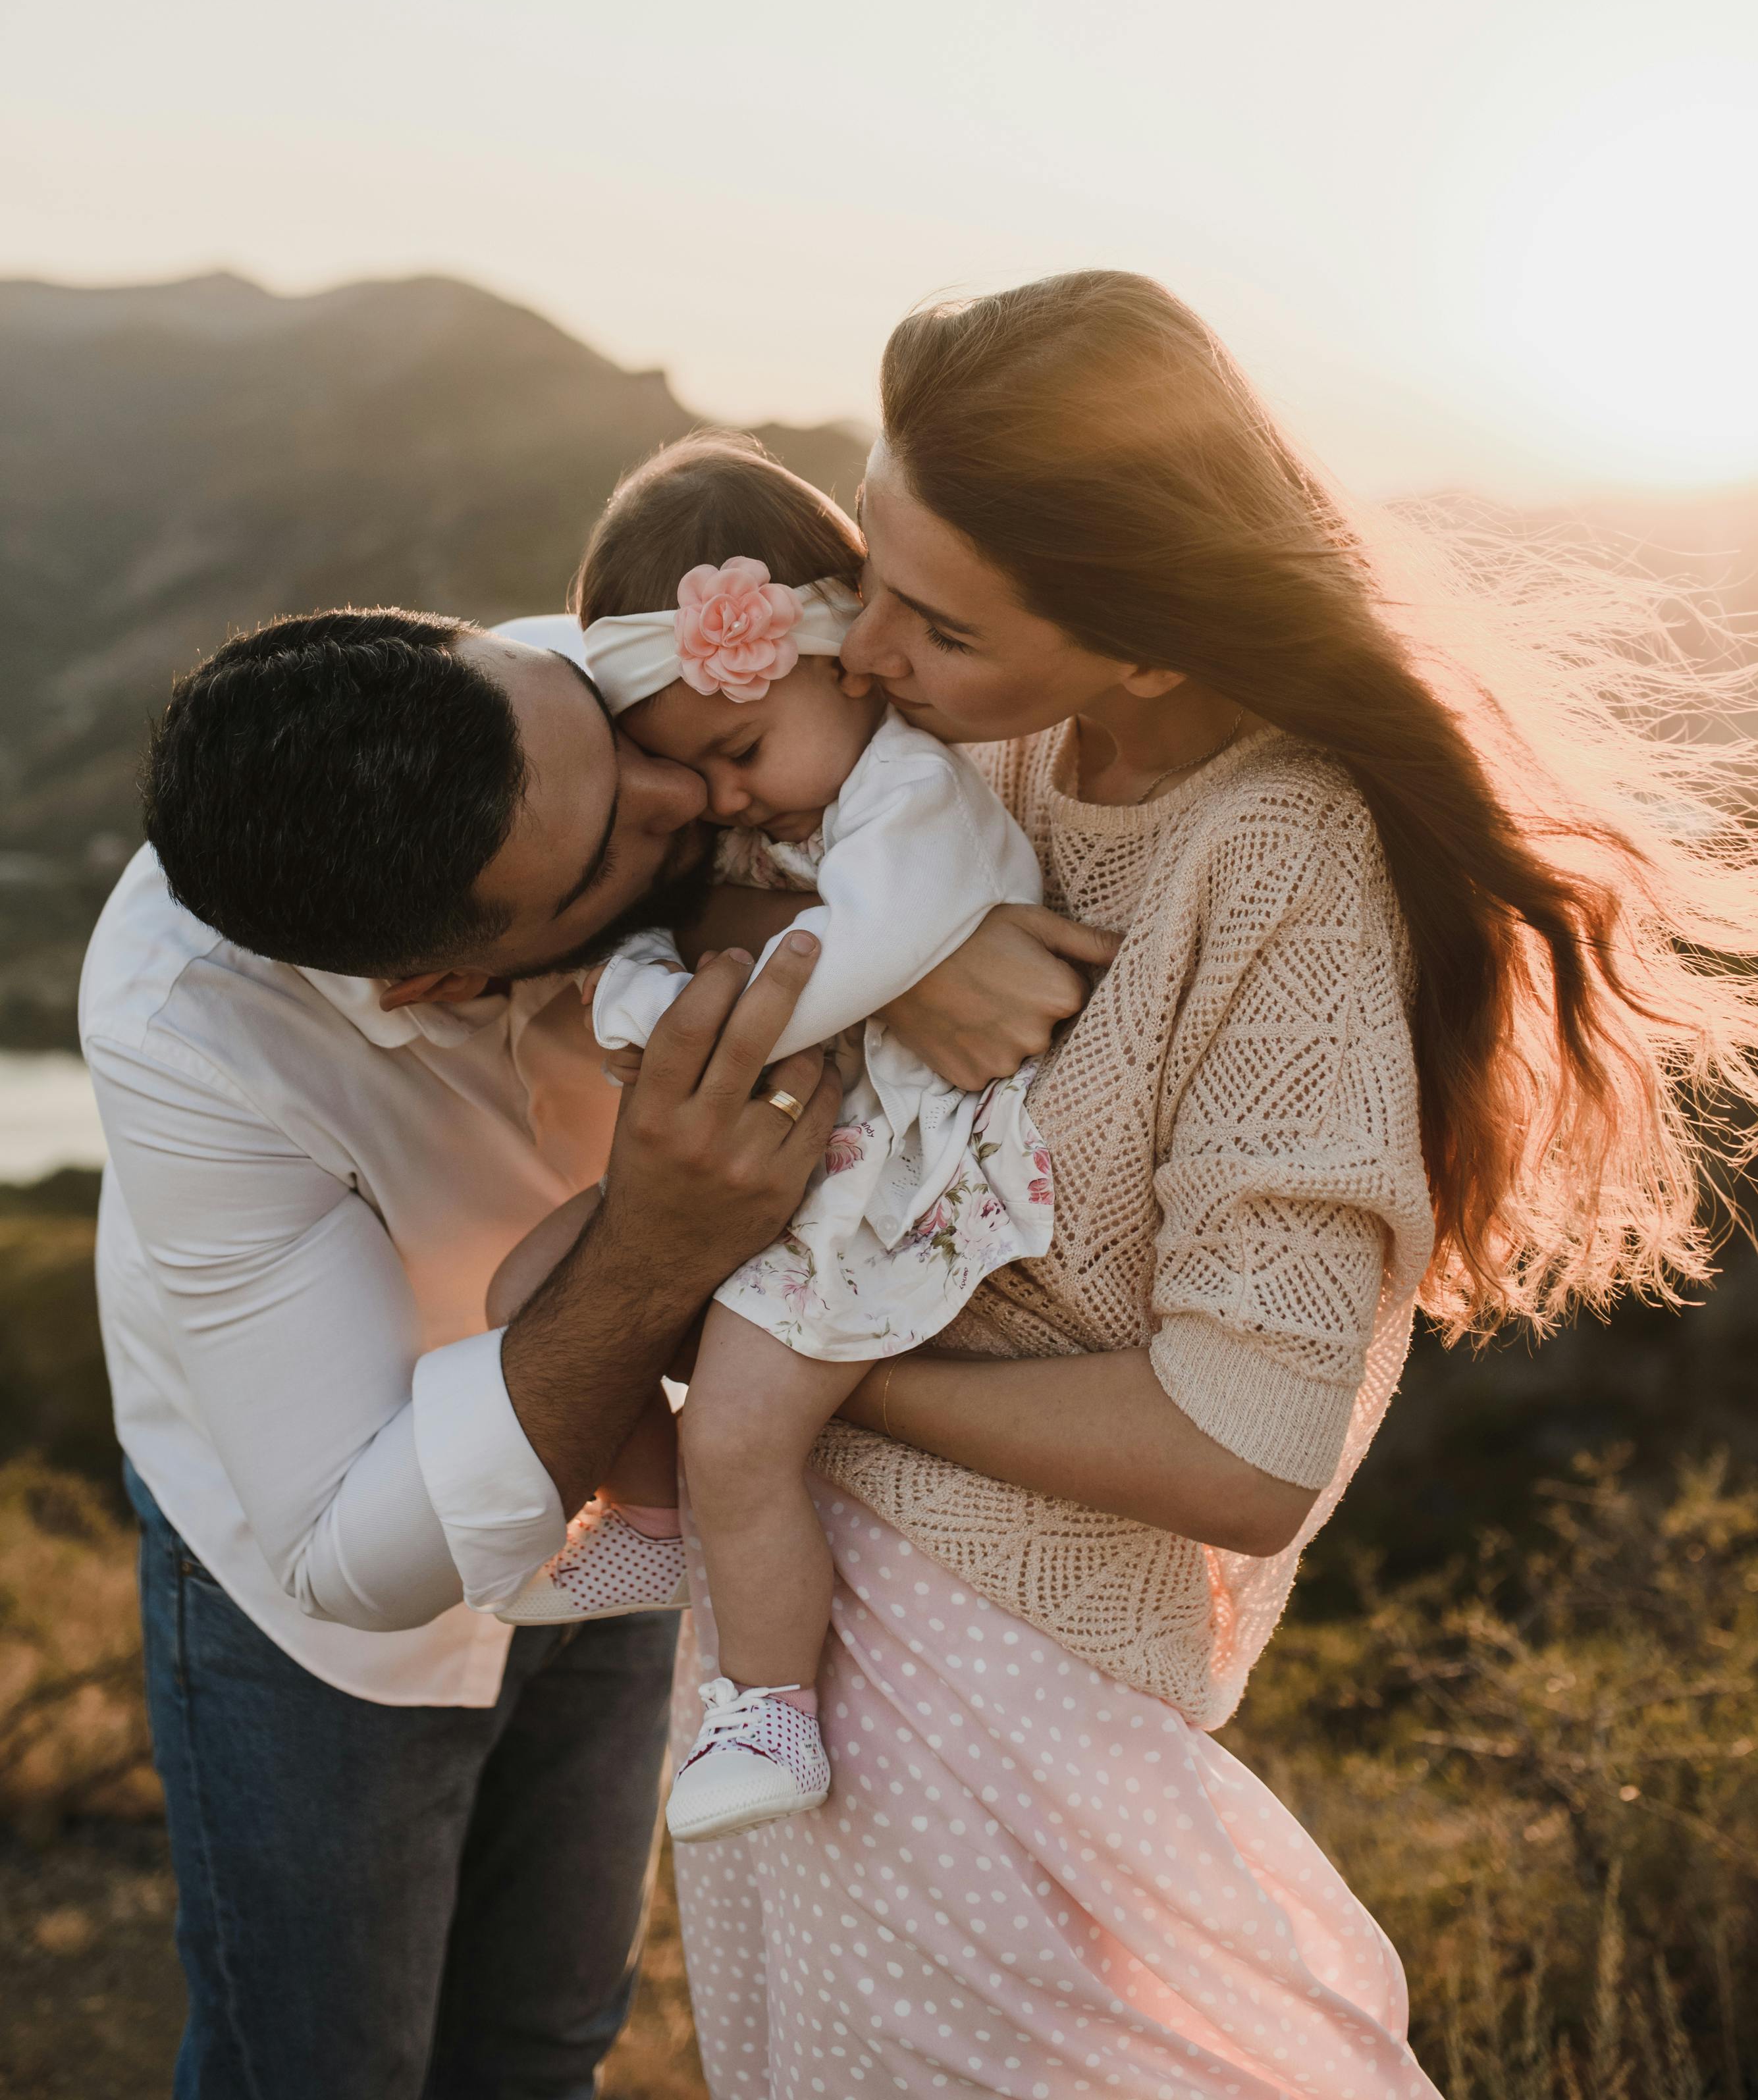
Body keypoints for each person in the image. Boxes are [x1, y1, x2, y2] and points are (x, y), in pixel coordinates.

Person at [664, 271, 1758, 2100]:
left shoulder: (1279, 874)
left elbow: (1235, 1453)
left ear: (1146, 642)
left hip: (997, 1701)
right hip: (793, 1657)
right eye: (873, 582)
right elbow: (693, 839)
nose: (861, 662)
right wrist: (885, 954)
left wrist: (812, 1371)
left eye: (932, 626)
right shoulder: (982, 745)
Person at [84, 607, 1108, 2099]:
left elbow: (793, 809)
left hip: (637, 1476)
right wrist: (651, 1247)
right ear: (435, 979)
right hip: (312, 1582)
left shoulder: (578, 690)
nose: (684, 791)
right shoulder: (189, 1034)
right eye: (611, 844)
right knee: (322, 2062)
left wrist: (881, 942)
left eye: (602, 717)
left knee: (548, 2036)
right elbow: (342, 1549)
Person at [489, 438, 1060, 1847]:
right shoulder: (795, 795)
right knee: (529, 1295)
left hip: (886, 1179)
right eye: (695, 769)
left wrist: (635, 994)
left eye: (739, 753)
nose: (728, 800)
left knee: (743, 1426)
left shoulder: (911, 801)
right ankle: (648, 1515)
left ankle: (768, 1705)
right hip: (797, 1151)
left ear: (843, 664)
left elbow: (831, 970)